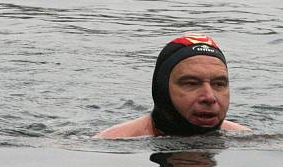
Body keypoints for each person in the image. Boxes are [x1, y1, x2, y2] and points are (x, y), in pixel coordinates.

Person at [94, 33, 249, 139]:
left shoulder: (246, 138)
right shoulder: (113, 143)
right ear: (162, 90)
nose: (209, 97)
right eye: (191, 83)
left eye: (219, 84)